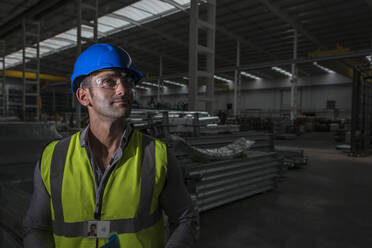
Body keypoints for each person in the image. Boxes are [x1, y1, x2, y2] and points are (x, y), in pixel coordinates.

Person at [23, 43, 198, 248]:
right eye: (109, 81)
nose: (123, 90)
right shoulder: (53, 158)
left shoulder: (156, 156)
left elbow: (185, 220)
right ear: (83, 96)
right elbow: (36, 227)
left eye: (128, 81)